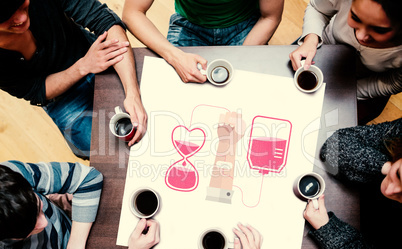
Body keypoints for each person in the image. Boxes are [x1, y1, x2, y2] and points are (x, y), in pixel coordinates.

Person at [0, 0, 147, 159]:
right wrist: (82, 67)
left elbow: (105, 21)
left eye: (22, 5)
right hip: (62, 97)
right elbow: (36, 90)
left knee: (150, 103)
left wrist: (132, 93)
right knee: (105, 149)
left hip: (93, 53)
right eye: (6, 18)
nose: (21, 18)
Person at [0, 160, 160, 249]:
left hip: (74, 235)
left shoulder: (11, 176)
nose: (44, 223)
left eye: (39, 208)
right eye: (30, 229)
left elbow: (89, 178)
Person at [303, 119, 402, 249]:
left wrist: (329, 230)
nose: (390, 191)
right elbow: (334, 147)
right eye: (399, 175)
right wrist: (385, 167)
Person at [289, 0, 402, 124]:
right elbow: (318, 8)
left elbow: (393, 82)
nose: (360, 36)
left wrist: (350, 92)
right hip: (320, 47)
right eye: (355, 17)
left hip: (366, 84)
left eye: (379, 30)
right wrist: (311, 39)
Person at [122, 0, 284, 83]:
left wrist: (241, 59)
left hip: (245, 25)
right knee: (175, 92)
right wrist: (175, 56)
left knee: (250, 89)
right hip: (189, 25)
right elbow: (132, 13)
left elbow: (270, 17)